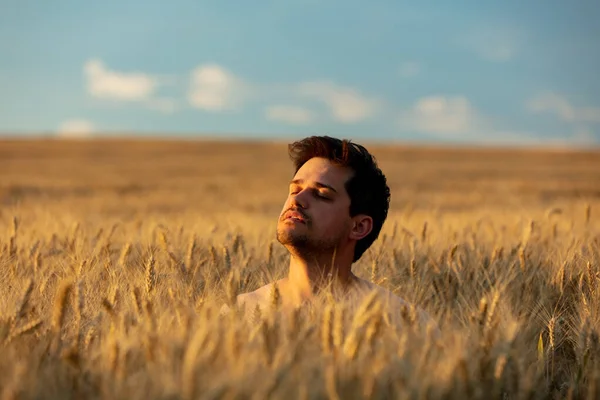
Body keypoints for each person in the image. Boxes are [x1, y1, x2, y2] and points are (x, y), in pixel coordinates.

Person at [222, 135, 435, 331]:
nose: (297, 200)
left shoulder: (407, 325)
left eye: (321, 195)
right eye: (294, 190)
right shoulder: (236, 315)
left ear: (359, 227)